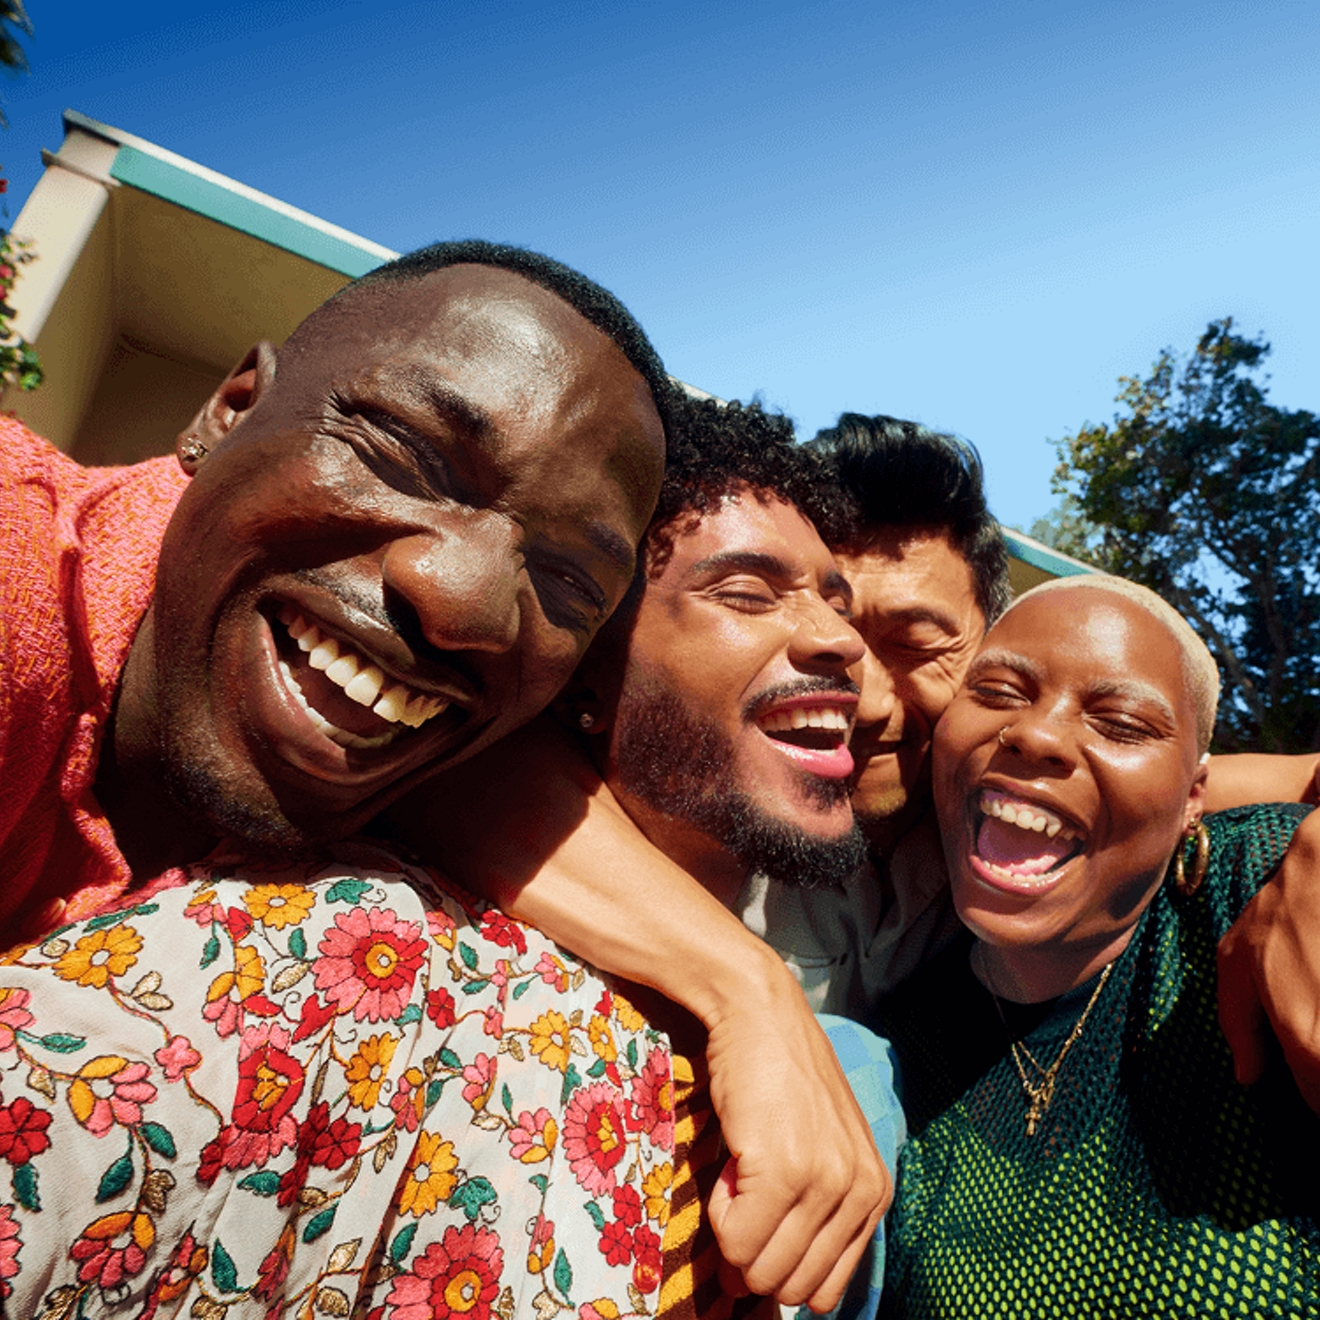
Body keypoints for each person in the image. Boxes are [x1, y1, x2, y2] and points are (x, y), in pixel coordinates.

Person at [0, 393, 890, 1317]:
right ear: (577, 678)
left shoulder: (810, 1080)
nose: (843, 643)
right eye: (745, 593)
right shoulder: (334, 954)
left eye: (839, 606)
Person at [875, 575, 1319, 1317]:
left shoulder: (1257, 888)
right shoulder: (899, 1052)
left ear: (1194, 797)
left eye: (1122, 723)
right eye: (999, 691)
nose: (1036, 735)